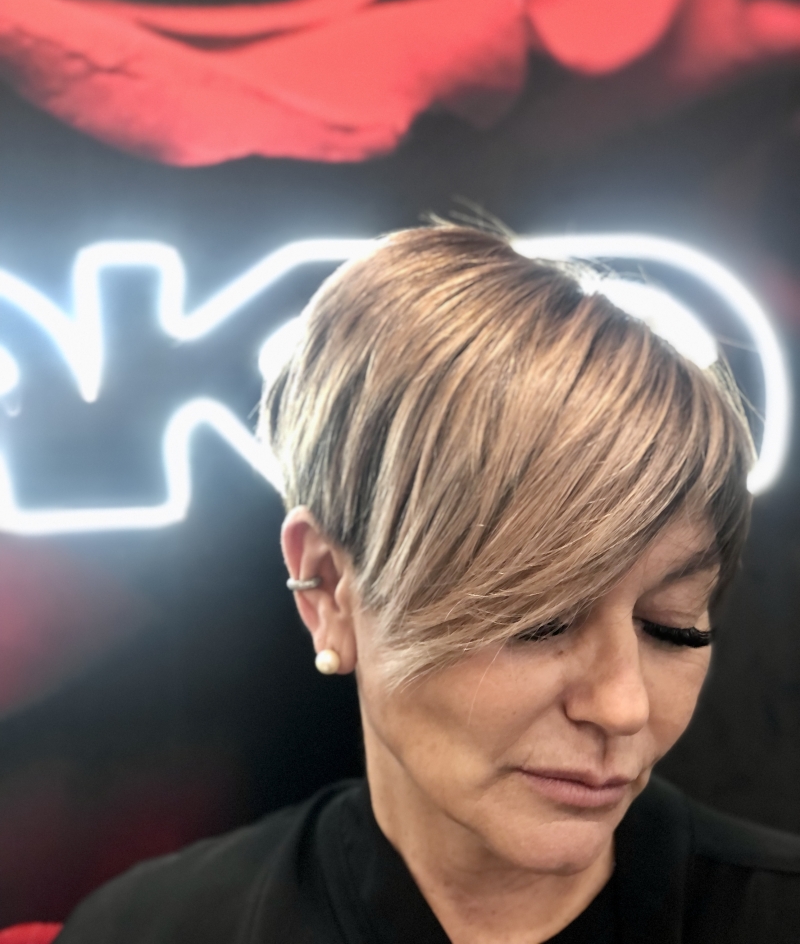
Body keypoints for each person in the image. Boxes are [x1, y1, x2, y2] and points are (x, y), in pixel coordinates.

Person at [56, 225, 800, 943]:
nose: (622, 706)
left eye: (673, 627)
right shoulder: (149, 931)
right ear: (328, 589)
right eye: (538, 618)